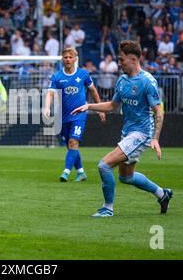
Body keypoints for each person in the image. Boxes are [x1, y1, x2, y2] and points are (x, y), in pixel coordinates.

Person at [71, 40, 173, 217]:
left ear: (133, 59)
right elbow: (112, 106)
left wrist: (155, 138)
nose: (119, 62)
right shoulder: (123, 80)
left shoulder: (147, 82)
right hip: (128, 133)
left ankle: (107, 208)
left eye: (121, 59)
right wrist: (89, 106)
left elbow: (159, 112)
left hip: (141, 134)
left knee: (104, 165)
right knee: (126, 177)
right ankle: (162, 194)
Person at [43, 48, 106, 182]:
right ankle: (81, 172)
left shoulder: (83, 74)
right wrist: (46, 107)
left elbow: (93, 91)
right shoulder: (56, 77)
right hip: (63, 117)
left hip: (79, 116)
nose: (68, 59)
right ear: (62, 59)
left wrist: (100, 109)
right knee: (70, 146)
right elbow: (50, 93)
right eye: (65, 57)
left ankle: (66, 172)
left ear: (75, 59)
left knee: (73, 142)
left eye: (70, 57)